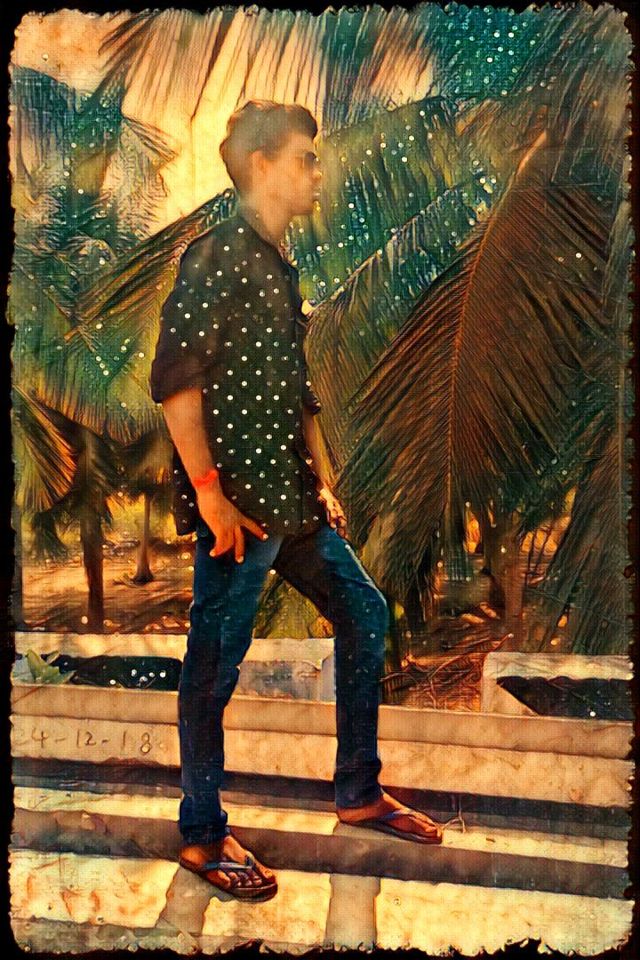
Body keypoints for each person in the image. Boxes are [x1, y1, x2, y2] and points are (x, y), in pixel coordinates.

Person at [149, 100, 443, 902]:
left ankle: (357, 791)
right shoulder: (215, 256)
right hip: (239, 513)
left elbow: (299, 390)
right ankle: (202, 835)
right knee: (213, 667)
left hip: (294, 503)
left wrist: (325, 478)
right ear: (262, 165)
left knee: (364, 612)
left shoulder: (278, 264)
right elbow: (176, 384)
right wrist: (209, 497)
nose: (318, 171)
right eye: (305, 158)